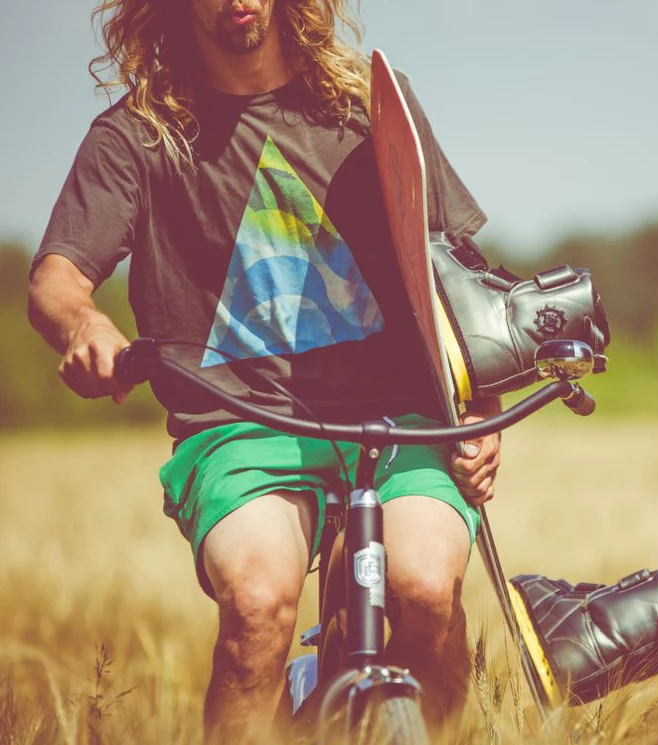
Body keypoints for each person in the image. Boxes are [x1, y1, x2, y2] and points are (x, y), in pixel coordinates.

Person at [26, 0, 501, 741]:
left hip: (399, 417)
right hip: (240, 426)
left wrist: (478, 409)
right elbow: (56, 277)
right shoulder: (137, 136)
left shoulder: (372, 107)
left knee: (425, 590)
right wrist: (84, 324)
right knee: (256, 601)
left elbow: (460, 275)